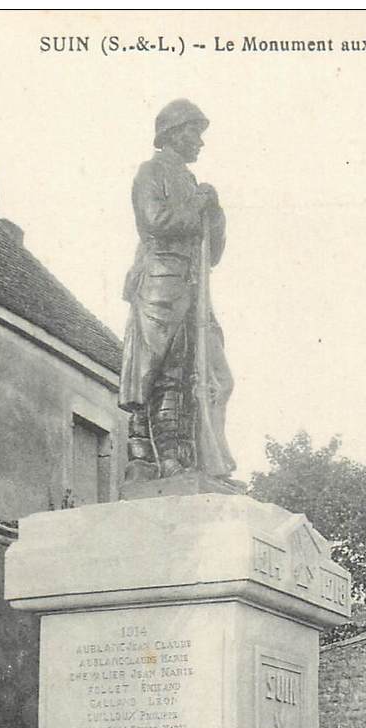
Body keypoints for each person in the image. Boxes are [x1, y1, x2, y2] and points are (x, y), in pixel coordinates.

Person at [119, 99, 235, 480]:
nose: (200, 142)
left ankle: (178, 455)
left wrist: (214, 212)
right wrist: (196, 205)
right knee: (155, 368)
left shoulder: (191, 183)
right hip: (160, 281)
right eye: (193, 132)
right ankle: (147, 456)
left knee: (188, 372)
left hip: (192, 288)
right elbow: (154, 219)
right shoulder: (151, 172)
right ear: (171, 133)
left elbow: (212, 252)